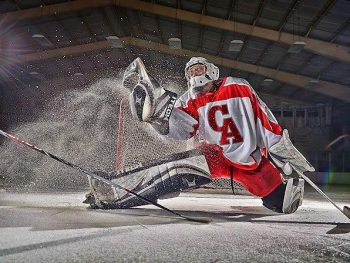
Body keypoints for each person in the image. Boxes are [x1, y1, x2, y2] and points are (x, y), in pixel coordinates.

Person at [85, 57, 314, 214]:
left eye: (199, 69)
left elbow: (262, 117)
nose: (195, 74)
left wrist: (282, 151)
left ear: (212, 71)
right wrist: (158, 117)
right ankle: (112, 190)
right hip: (216, 154)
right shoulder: (189, 98)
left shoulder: (237, 86)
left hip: (251, 159)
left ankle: (285, 193)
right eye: (191, 72)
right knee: (178, 168)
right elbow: (183, 129)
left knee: (281, 204)